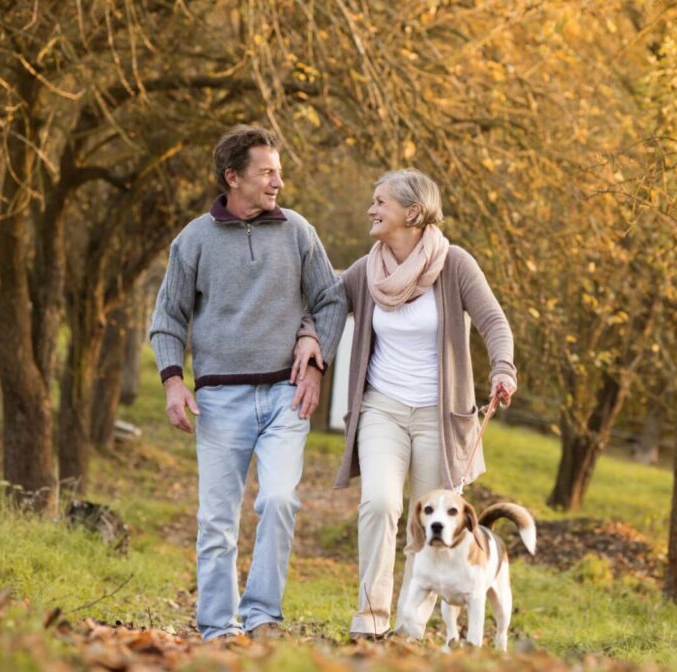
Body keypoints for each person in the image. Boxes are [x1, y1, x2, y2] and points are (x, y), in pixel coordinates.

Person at [149, 125, 347, 640]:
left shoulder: (299, 231)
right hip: (218, 400)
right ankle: (217, 627)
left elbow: (331, 299)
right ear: (232, 177)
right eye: (267, 172)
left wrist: (316, 354)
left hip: (286, 394)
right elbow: (167, 318)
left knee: (280, 500)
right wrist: (174, 382)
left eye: (279, 171)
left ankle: (262, 617)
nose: (278, 181)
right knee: (217, 520)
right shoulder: (192, 240)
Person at [332, 168, 517, 640]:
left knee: (430, 521)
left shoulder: (454, 264)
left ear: (411, 212)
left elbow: (494, 321)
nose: (371, 210)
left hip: (440, 414)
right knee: (379, 502)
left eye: (380, 202)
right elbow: (328, 305)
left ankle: (410, 621)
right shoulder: (367, 270)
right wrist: (313, 340)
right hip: (382, 408)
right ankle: (371, 619)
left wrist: (502, 367)